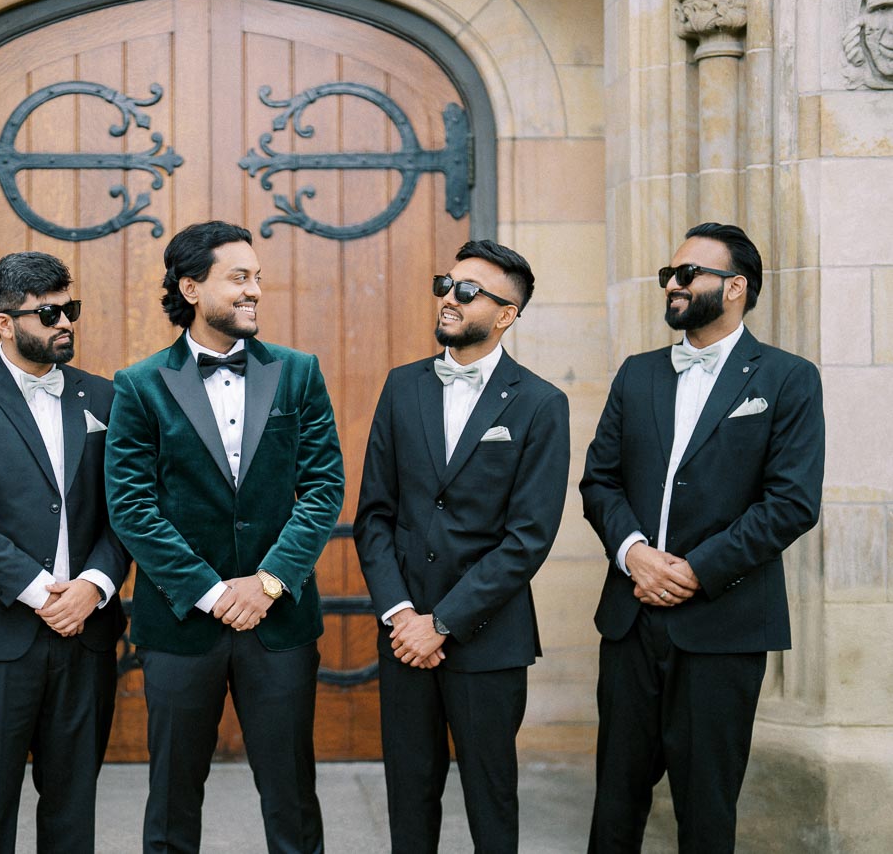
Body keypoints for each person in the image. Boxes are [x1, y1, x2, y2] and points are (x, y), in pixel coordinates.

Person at [581, 222, 825, 853]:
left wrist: (694, 569)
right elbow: (599, 482)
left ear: (736, 288)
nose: (673, 284)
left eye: (689, 274)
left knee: (707, 807)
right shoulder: (637, 375)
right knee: (613, 802)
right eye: (670, 274)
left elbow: (792, 503)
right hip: (631, 620)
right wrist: (635, 555)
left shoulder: (788, 378)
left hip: (724, 620)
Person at [105, 220, 344, 853]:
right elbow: (132, 507)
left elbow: (323, 488)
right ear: (191, 287)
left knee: (292, 797)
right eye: (239, 278)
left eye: (258, 278)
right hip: (182, 625)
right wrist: (213, 593)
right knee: (173, 801)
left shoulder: (298, 373)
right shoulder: (139, 385)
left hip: (280, 623)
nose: (255, 291)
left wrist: (268, 583)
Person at [354, 240, 569, 854]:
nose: (450, 297)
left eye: (468, 290)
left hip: (487, 638)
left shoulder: (540, 403)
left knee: (491, 798)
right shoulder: (402, 387)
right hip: (402, 637)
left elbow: (528, 539)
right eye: (446, 283)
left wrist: (442, 624)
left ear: (506, 313)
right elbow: (374, 515)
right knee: (409, 796)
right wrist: (401, 616)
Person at [0, 252, 129, 852]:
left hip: (86, 634)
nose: (65, 323)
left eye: (71, 309)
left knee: (72, 805)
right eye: (49, 313)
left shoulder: (106, 398)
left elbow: (130, 513)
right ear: (5, 323)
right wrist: (41, 592)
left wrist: (92, 586)